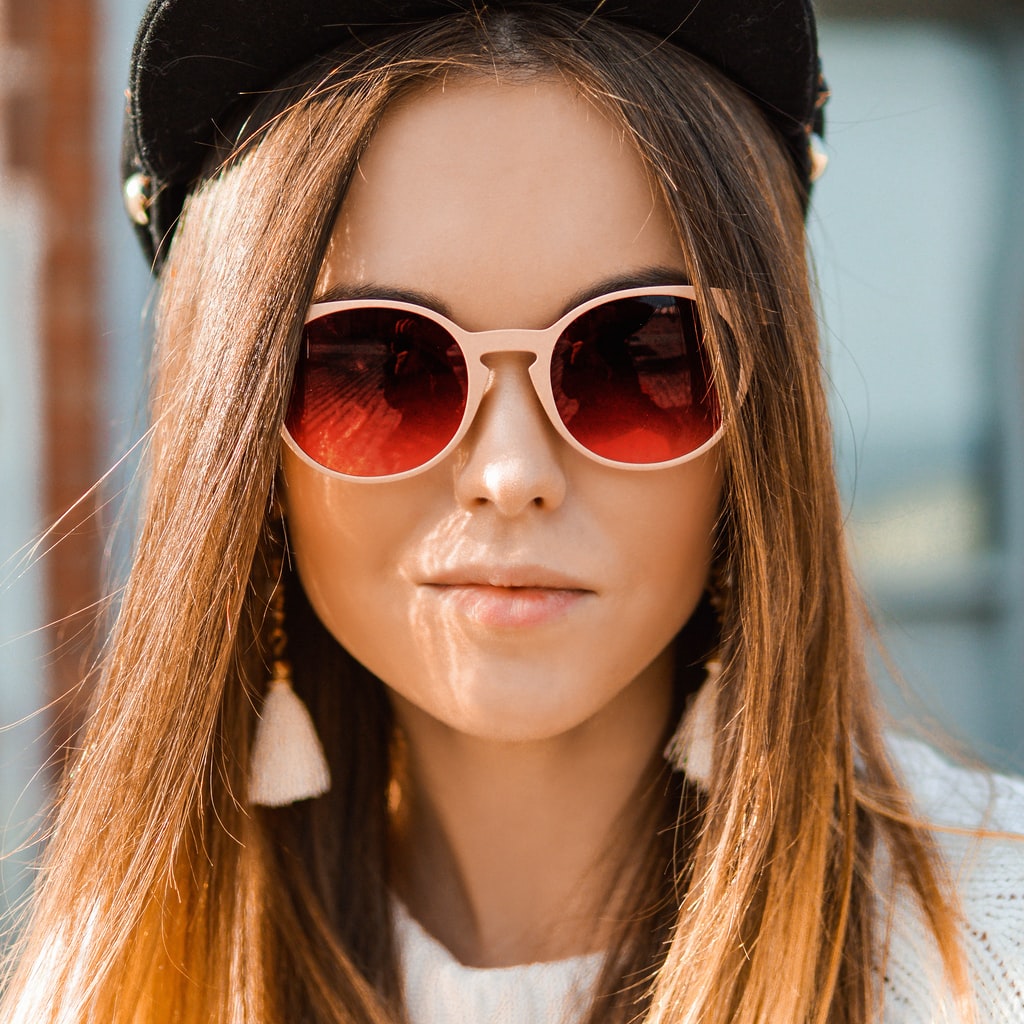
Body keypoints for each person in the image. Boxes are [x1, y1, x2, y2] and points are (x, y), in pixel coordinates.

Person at [2, 2, 1022, 1022]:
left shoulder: (989, 949)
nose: (509, 472)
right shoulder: (108, 977)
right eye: (380, 364)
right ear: (241, 427)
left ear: (763, 414)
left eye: (637, 355)